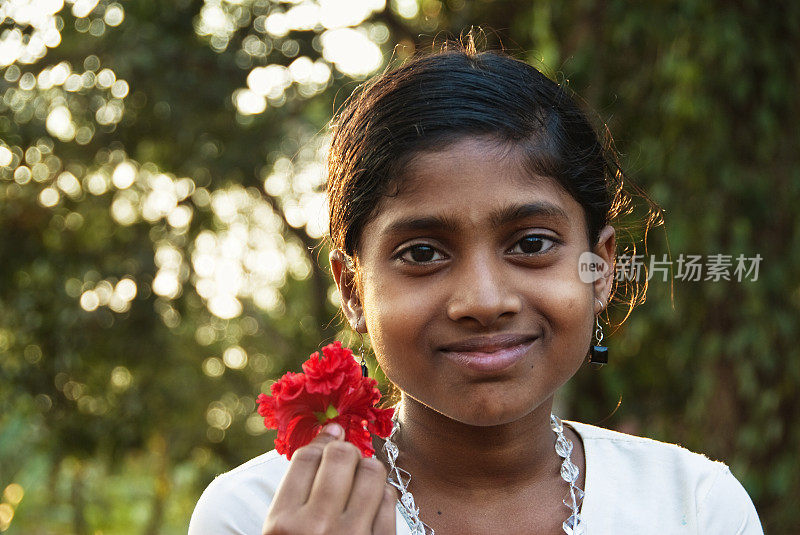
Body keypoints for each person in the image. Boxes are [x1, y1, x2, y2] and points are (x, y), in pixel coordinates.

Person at [188, 46, 764, 535]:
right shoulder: (255, 513)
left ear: (601, 269)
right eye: (422, 253)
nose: (485, 301)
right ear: (353, 289)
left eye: (532, 244)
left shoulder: (695, 508)